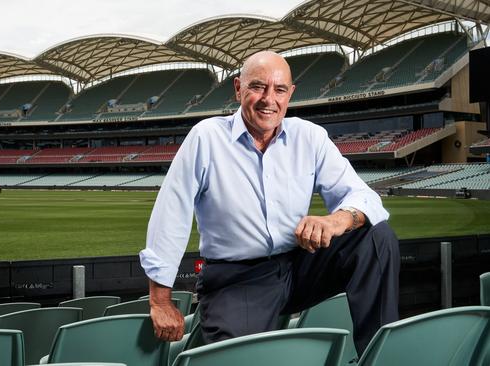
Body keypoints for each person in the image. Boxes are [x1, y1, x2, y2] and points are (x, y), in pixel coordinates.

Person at [139, 50, 399, 357]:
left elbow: (366, 198)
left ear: (291, 94)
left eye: (279, 90)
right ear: (238, 89)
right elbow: (171, 214)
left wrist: (337, 219)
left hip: (300, 264)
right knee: (234, 359)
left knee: (375, 236)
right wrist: (160, 300)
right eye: (258, 87)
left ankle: (380, 357)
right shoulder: (206, 138)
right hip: (239, 278)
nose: (268, 99)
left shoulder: (310, 137)